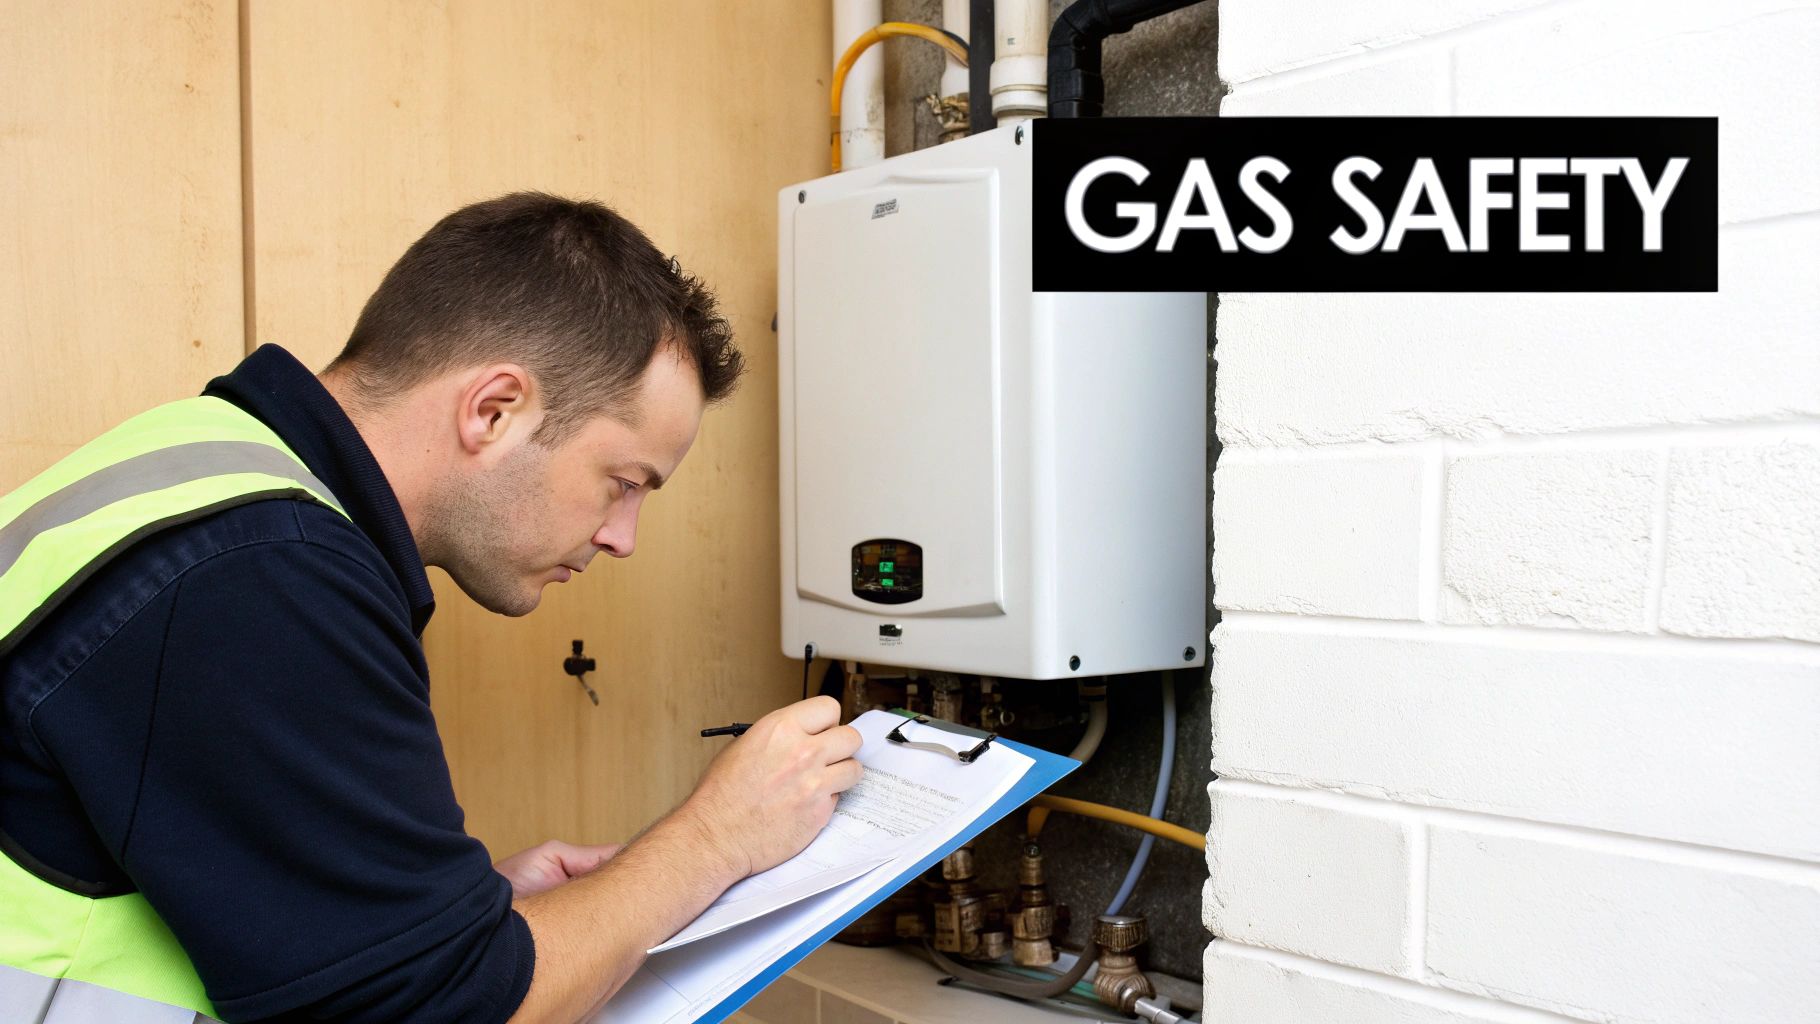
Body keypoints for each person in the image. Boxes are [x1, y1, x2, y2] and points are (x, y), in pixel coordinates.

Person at [0, 193, 863, 1023]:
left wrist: (433, 918)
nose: (622, 537)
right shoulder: (262, 574)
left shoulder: (214, 472)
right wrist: (715, 840)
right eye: (623, 484)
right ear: (494, 411)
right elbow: (445, 1011)